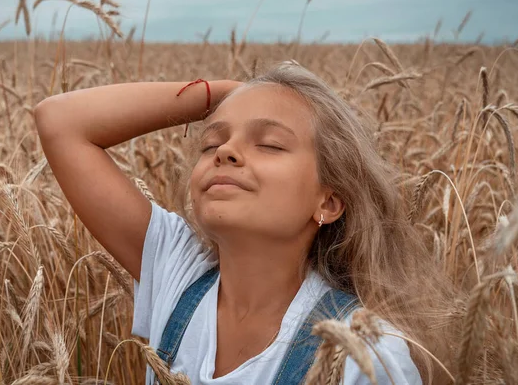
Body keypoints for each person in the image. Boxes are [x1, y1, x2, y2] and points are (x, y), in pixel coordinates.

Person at [34, 62, 440, 384]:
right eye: (212, 142)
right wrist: (230, 93)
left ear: (329, 202)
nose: (226, 150)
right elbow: (59, 120)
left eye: (269, 144)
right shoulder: (179, 271)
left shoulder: (365, 356)